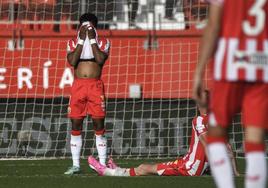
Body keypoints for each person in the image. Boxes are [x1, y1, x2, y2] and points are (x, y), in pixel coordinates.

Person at [193, 0, 268, 188]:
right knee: (255, 140)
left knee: (217, 133)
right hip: (261, 65)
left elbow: (213, 26)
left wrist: (199, 72)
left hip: (230, 64)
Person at [88, 91, 239, 177]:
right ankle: (117, 169)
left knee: (145, 168)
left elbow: (207, 144)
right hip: (190, 163)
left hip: (190, 167)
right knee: (148, 167)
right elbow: (228, 149)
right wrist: (235, 172)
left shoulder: (199, 120)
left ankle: (108, 172)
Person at [64, 12, 110, 175]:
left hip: (95, 86)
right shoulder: (72, 42)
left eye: (89, 26)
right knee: (76, 124)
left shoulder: (103, 42)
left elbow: (99, 59)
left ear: (95, 27)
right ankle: (76, 165)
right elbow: (73, 61)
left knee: (99, 124)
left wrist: (92, 39)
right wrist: (82, 40)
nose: (86, 28)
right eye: (83, 25)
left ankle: (103, 164)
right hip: (78, 86)